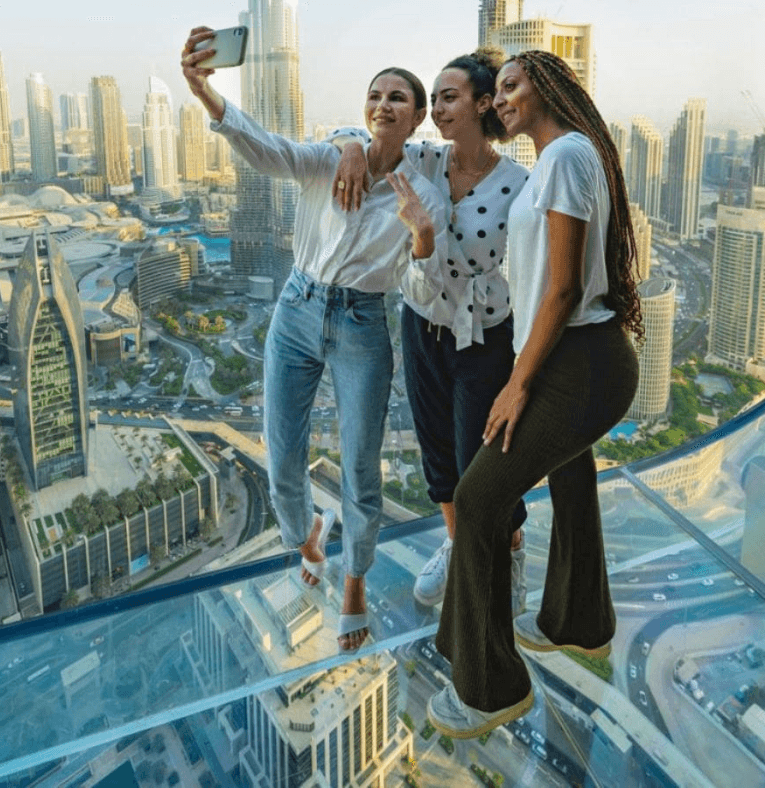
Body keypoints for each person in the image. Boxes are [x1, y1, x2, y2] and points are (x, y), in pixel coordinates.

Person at [181, 28, 450, 653]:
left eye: (398, 99)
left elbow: (422, 286)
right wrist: (205, 94)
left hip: (363, 323)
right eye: (375, 96)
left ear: (415, 120)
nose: (383, 104)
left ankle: (354, 578)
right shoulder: (333, 158)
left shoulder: (425, 194)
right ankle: (306, 536)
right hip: (297, 308)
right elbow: (266, 150)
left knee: (361, 463)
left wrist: (422, 237)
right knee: (281, 448)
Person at [426, 50, 642, 739]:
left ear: (547, 86)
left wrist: (518, 385)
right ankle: (578, 621)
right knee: (570, 472)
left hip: (580, 361)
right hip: (569, 357)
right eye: (497, 92)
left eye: (512, 85)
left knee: (482, 498)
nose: (500, 100)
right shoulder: (559, 159)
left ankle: (488, 689)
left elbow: (563, 288)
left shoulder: (566, 157)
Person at [328, 48, 529, 616]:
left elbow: (487, 264)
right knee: (437, 452)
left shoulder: (518, 184)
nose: (437, 109)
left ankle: (511, 548)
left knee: (481, 461)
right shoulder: (423, 160)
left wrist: (423, 238)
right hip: (422, 326)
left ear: (482, 104)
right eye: (434, 99)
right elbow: (370, 132)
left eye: (449, 97)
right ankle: (456, 542)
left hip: (483, 336)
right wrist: (348, 146)